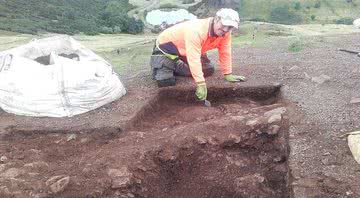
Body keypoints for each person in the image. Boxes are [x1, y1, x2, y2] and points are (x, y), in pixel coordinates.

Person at [150, 8, 246, 101]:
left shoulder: (225, 34)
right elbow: (194, 58)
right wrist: (200, 83)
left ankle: (175, 65)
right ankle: (167, 65)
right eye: (224, 24)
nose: (225, 29)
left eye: (230, 27)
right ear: (216, 19)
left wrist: (227, 73)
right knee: (165, 81)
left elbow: (225, 52)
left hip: (189, 50)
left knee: (208, 70)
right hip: (167, 48)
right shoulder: (197, 30)